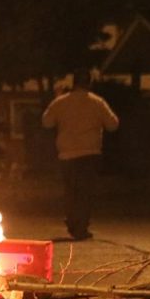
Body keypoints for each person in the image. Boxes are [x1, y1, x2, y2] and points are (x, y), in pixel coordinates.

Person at [41, 69, 119, 241]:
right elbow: (113, 124)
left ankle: (72, 222)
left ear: (73, 83)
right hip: (90, 152)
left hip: (67, 153)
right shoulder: (97, 102)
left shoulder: (61, 102)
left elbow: (46, 122)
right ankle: (81, 227)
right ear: (89, 83)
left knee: (71, 190)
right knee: (85, 191)